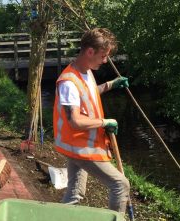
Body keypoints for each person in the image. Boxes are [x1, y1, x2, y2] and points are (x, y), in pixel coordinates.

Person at [53, 28, 130, 214]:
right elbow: (75, 121)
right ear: (89, 52)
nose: (105, 61)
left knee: (74, 194)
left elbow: (89, 93)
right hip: (78, 146)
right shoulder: (68, 83)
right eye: (103, 56)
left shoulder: (85, 72)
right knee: (120, 184)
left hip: (79, 145)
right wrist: (105, 122)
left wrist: (112, 84)